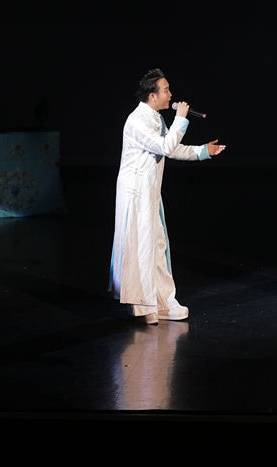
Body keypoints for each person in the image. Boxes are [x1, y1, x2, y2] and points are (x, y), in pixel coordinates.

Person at [109, 68, 226, 325]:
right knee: (141, 246)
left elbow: (172, 149)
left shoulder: (156, 119)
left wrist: (202, 151)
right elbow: (164, 146)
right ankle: (144, 306)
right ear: (152, 96)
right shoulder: (136, 121)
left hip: (149, 191)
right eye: (166, 90)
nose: (171, 95)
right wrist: (181, 119)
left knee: (157, 245)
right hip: (135, 193)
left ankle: (163, 302)